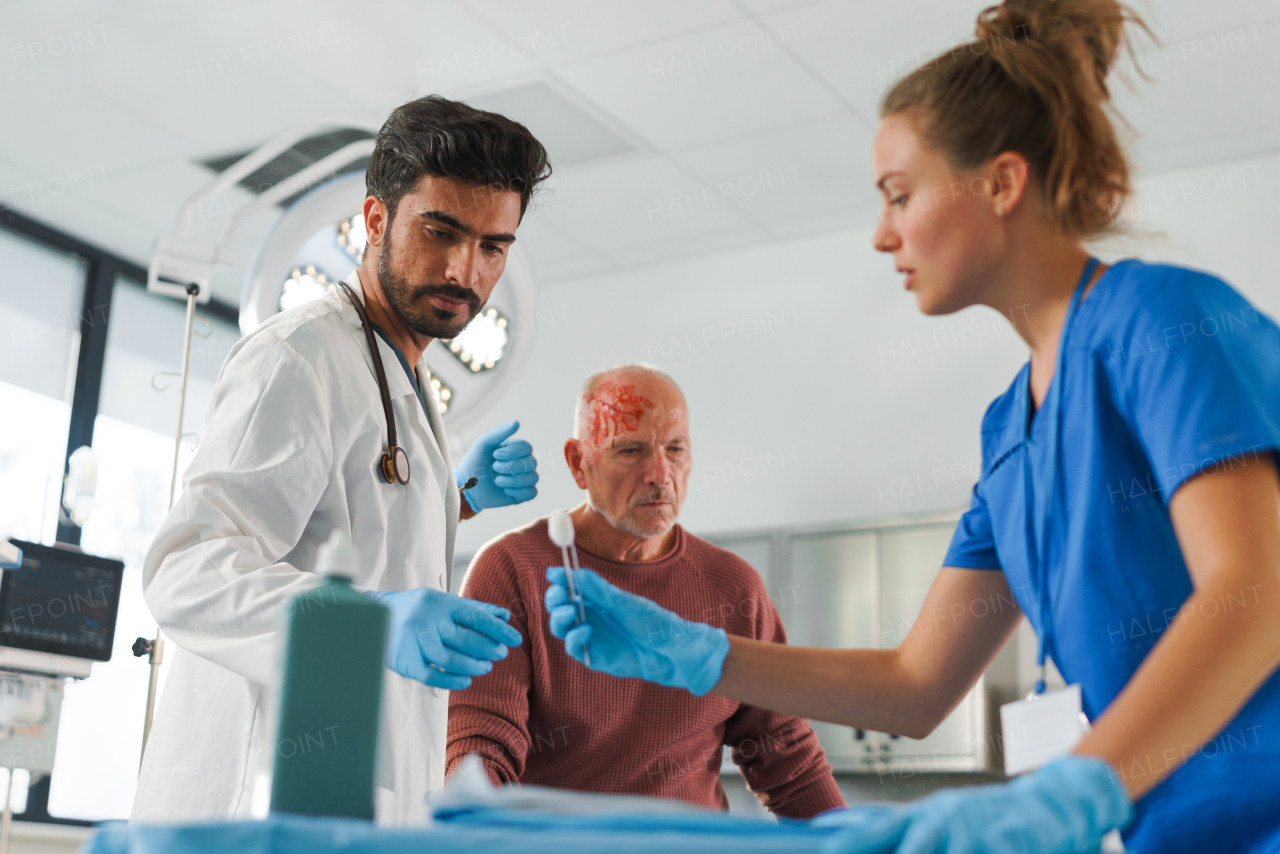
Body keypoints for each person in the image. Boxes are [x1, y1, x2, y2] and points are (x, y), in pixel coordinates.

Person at [544, 2, 1280, 852]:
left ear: (1002, 183)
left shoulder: (1162, 323)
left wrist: (1077, 789)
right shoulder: (1012, 430)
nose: (882, 233)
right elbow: (916, 685)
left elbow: (1255, 593)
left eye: (900, 195)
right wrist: (704, 656)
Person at [134, 95, 549, 826]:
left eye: (493, 247)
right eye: (441, 230)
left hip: (359, 800)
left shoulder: (404, 369)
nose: (464, 269)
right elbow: (186, 570)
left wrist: (453, 499)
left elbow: (338, 523)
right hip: (253, 804)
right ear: (376, 219)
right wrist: (368, 626)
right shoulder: (297, 358)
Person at [447, 365, 844, 817]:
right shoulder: (512, 570)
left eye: (675, 449)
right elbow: (481, 744)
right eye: (631, 450)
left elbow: (788, 761)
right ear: (580, 463)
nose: (660, 473)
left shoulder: (733, 585)